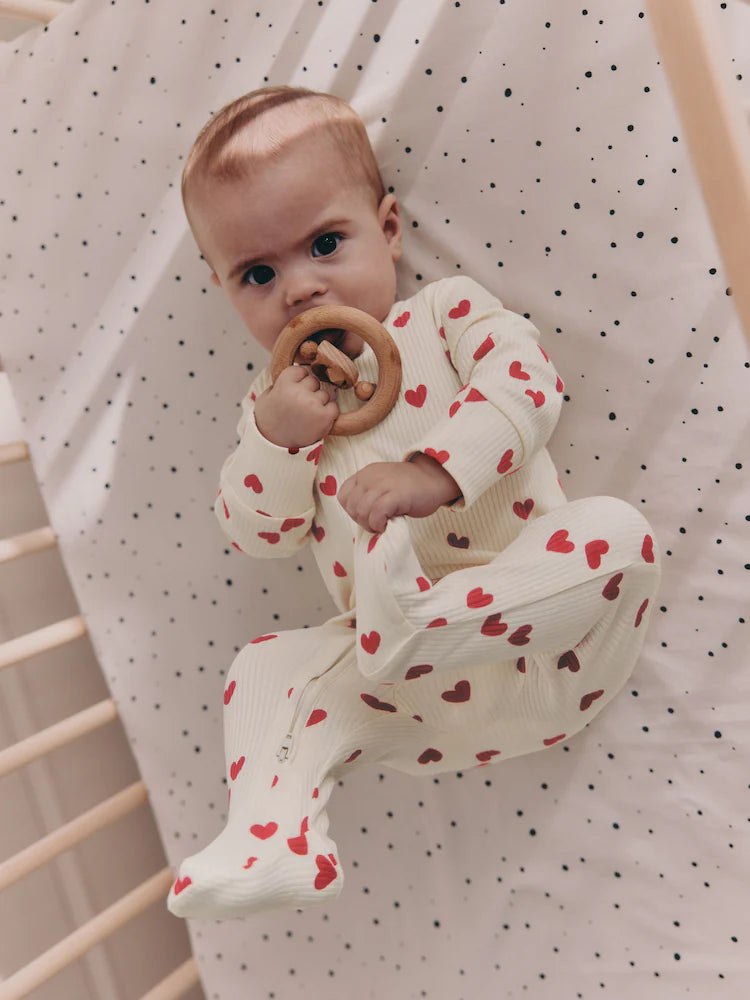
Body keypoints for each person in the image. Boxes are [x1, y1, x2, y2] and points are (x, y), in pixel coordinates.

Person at [167, 86, 660, 919]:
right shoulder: (273, 407)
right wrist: (278, 440)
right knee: (268, 666)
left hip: (548, 656)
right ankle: (271, 837)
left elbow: (527, 385)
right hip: (413, 704)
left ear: (389, 231)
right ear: (224, 288)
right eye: (258, 273)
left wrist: (435, 472)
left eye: (326, 243)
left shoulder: (446, 314)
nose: (299, 289)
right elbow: (255, 530)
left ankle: (425, 623)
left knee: (616, 536)